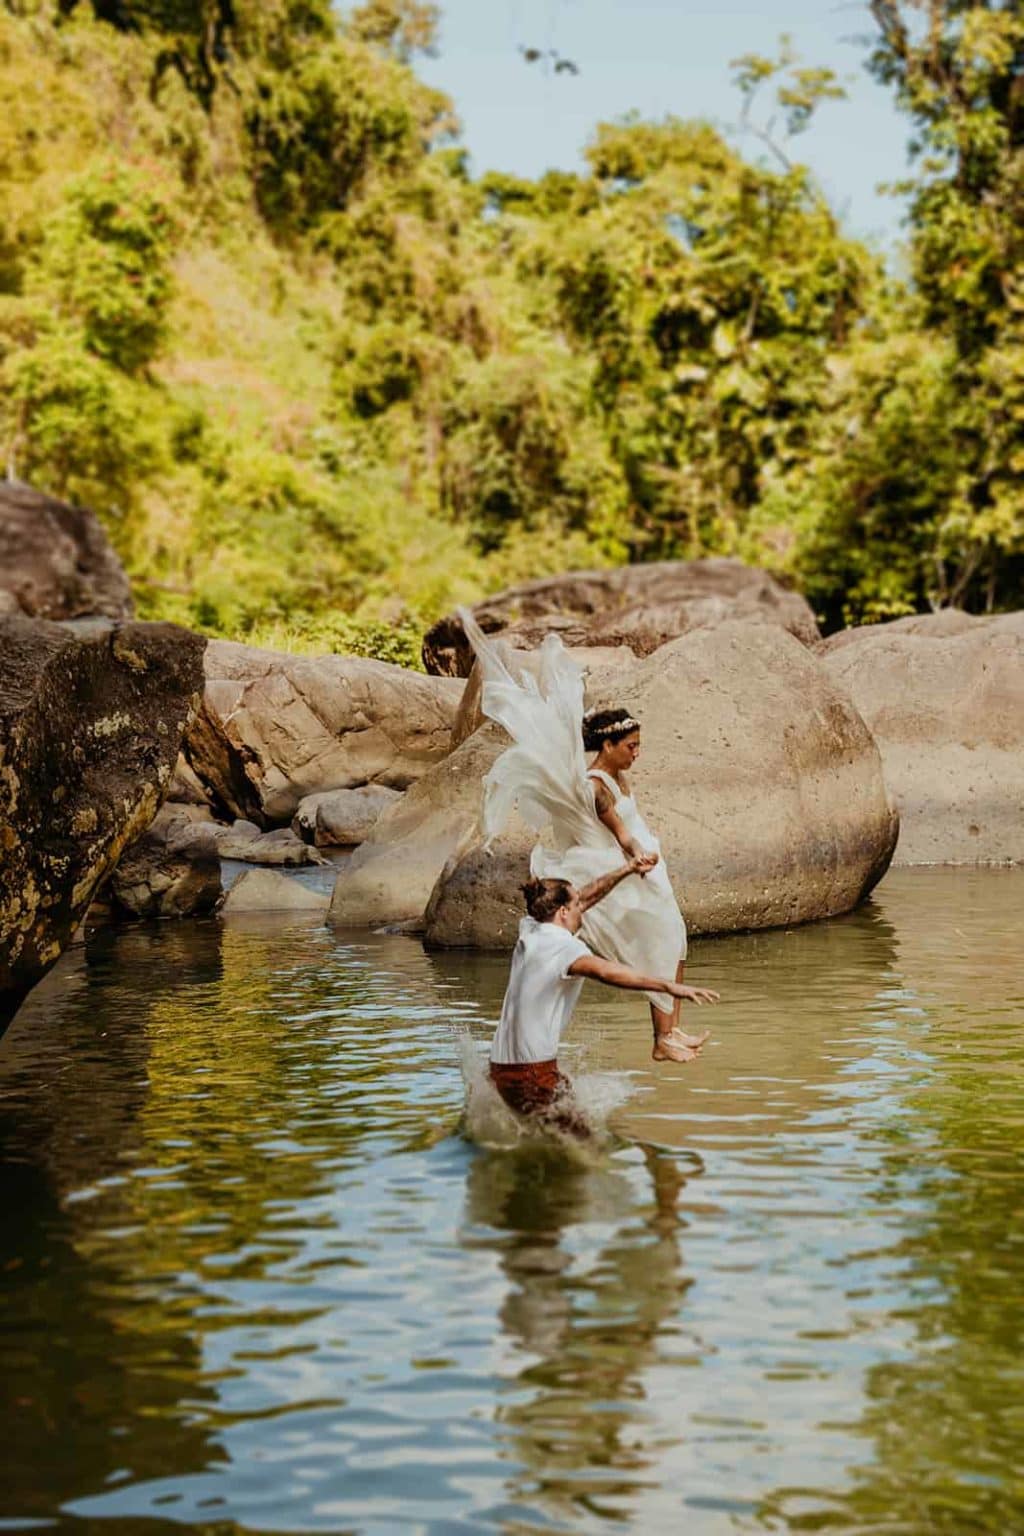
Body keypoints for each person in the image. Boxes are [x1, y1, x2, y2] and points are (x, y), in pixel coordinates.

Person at [458, 608, 700, 1064]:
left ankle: (670, 1030)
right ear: (607, 746)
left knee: (674, 940)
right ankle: (663, 1038)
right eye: (630, 746)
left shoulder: (617, 776)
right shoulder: (596, 787)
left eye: (638, 745)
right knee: (664, 940)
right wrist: (639, 859)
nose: (636, 753)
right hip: (617, 867)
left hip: (643, 867)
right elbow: (623, 835)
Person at [489, 860, 720, 1136]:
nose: (583, 909)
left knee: (561, 1124)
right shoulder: (565, 949)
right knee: (583, 1143)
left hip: (500, 1068)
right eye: (576, 905)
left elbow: (587, 896)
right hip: (531, 1074)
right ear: (563, 912)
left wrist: (627, 869)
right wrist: (668, 986)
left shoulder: (531, 929)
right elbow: (607, 972)